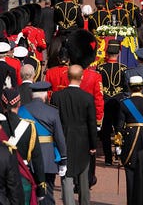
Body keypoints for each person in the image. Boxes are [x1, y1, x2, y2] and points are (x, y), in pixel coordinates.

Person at [51, 65, 97, 205]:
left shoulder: (57, 96)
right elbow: (91, 123)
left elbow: (54, 120)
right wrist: (93, 144)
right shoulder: (88, 98)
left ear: (67, 76)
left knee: (66, 175)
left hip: (64, 138)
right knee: (84, 175)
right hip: (83, 140)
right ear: (82, 77)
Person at [19, 82, 68, 205]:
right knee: (47, 194)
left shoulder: (22, 110)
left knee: (28, 194)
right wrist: (64, 159)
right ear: (46, 95)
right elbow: (59, 138)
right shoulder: (52, 112)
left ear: (31, 95)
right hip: (47, 157)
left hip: (27, 156)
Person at [117, 76, 143, 205]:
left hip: (130, 141)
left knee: (130, 172)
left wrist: (118, 143)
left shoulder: (124, 103)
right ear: (142, 87)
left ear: (130, 87)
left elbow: (119, 126)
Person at [0, 89, 46, 203]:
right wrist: (41, 187)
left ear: (2, 104)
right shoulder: (29, 127)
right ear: (19, 103)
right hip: (22, 177)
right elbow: (37, 159)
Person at [98, 40, 127, 165]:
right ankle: (119, 152)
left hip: (105, 101)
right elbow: (126, 88)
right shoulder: (123, 69)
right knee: (119, 128)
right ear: (119, 52)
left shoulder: (100, 68)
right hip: (119, 101)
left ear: (107, 52)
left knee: (106, 131)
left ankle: (108, 159)